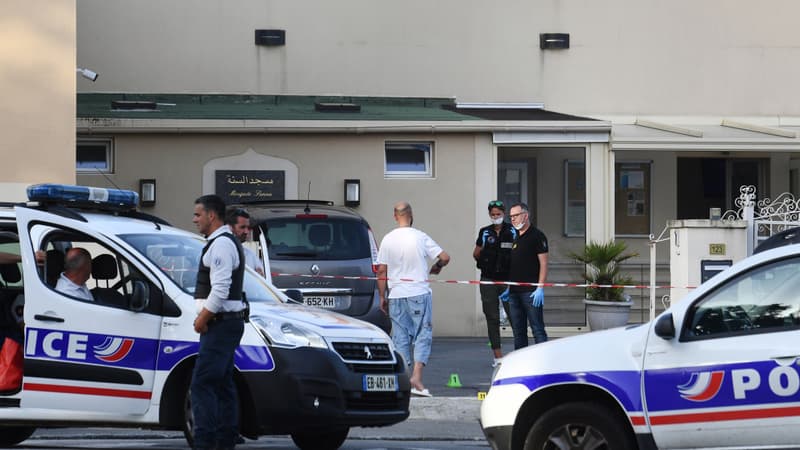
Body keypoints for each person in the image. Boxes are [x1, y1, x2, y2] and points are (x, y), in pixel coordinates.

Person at [191, 194, 248, 450]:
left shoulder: (222, 245)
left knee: (202, 384)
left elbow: (221, 289)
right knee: (223, 384)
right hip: (224, 323)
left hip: (220, 324)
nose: (195, 219)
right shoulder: (221, 242)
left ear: (211, 215)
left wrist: (202, 319)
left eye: (198, 214)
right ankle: (225, 439)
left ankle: (205, 442)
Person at [376, 201, 450, 397]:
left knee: (400, 338)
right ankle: (416, 377)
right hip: (418, 292)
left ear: (395, 216)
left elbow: (381, 271)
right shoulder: (420, 237)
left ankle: (404, 380)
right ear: (411, 215)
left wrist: (382, 296)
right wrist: (437, 267)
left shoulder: (388, 239)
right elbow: (445, 257)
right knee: (422, 335)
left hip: (396, 295)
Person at [473, 200, 516, 366]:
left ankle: (520, 352)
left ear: (504, 214)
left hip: (508, 280)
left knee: (515, 316)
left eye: (498, 214)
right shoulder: (485, 232)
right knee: (492, 318)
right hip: (488, 279)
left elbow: (519, 253)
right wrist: (487, 260)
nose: (495, 217)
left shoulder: (512, 231)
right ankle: (498, 357)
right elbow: (476, 253)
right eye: (493, 214)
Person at [500, 203, 549, 349]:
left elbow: (544, 264)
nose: (513, 219)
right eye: (511, 216)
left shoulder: (537, 236)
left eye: (516, 215)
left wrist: (540, 287)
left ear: (525, 215)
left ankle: (543, 359)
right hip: (514, 293)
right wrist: (509, 287)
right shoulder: (515, 237)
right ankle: (521, 359)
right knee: (518, 331)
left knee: (537, 329)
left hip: (531, 292)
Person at [225, 208, 265, 277]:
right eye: (242, 227)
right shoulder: (218, 251)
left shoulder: (251, 256)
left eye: (248, 228)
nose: (246, 232)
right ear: (229, 227)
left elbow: (261, 278)